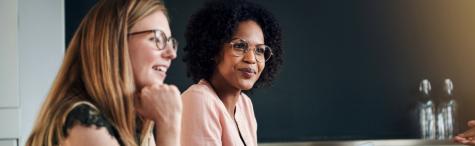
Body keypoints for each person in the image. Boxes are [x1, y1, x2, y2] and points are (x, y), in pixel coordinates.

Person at [26, 0, 182, 145]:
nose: (171, 54)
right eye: (156, 39)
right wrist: (169, 125)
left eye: (170, 42)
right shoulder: (85, 124)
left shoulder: (134, 123)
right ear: (115, 43)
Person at [180, 0, 283, 145]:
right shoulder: (198, 99)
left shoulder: (244, 104)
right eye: (240, 46)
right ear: (214, 49)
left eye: (259, 50)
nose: (251, 59)